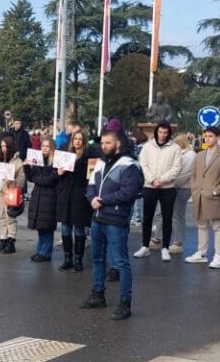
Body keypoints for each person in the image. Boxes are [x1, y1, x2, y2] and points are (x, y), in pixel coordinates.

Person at [81, 129, 144, 320]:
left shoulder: (130, 165)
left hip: (116, 219)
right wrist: (92, 199)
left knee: (120, 262)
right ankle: (98, 294)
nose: (104, 146)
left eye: (108, 143)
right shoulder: (99, 163)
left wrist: (103, 200)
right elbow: (91, 185)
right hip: (98, 218)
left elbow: (128, 192)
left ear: (117, 144)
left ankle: (125, 303)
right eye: (103, 143)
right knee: (97, 259)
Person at [185, 127, 220, 269]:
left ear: (218, 138)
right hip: (199, 195)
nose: (207, 139)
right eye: (205, 136)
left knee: (218, 226)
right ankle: (201, 252)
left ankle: (219, 255)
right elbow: (193, 174)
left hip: (214, 197)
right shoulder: (199, 155)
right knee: (201, 225)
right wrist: (194, 189)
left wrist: (216, 191)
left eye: (211, 136)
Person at [135, 121, 182, 261]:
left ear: (169, 133)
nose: (162, 135)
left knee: (167, 218)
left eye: (165, 132)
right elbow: (143, 164)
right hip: (150, 186)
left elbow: (177, 168)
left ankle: (165, 248)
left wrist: (162, 180)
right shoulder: (147, 147)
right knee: (147, 217)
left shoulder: (175, 148)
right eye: (160, 132)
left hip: (167, 188)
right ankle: (145, 246)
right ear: (156, 132)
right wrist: (152, 179)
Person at [56, 130, 97, 272]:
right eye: (75, 139)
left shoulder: (89, 157)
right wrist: (60, 172)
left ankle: (78, 259)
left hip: (80, 196)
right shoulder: (65, 155)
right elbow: (58, 175)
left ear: (84, 141)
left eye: (80, 139)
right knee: (66, 228)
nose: (78, 141)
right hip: (66, 195)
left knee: (79, 228)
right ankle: (68, 258)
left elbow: (92, 178)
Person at [151, 134, 196, 255]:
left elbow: (184, 174)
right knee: (162, 212)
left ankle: (178, 242)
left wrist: (166, 181)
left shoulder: (190, 156)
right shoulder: (181, 154)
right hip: (171, 186)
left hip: (181, 188)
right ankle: (158, 238)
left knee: (177, 214)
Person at [24, 137, 60, 262]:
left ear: (52, 148)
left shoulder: (55, 161)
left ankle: (45, 253)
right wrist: (27, 166)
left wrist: (36, 179)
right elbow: (30, 177)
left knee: (47, 227)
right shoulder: (38, 160)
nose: (44, 148)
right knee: (41, 226)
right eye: (43, 146)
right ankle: (40, 251)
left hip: (49, 197)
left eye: (47, 146)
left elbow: (50, 180)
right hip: (38, 196)